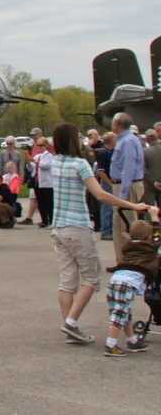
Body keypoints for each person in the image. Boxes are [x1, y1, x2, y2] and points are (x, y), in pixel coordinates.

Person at [44, 123, 149, 345]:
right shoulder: (80, 164)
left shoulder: (55, 162)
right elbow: (100, 194)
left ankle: (69, 325)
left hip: (59, 228)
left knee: (67, 280)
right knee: (91, 278)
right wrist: (130, 205)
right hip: (78, 227)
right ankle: (70, 322)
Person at [102, 219, 159, 356]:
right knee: (119, 314)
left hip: (116, 280)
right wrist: (155, 219)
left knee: (123, 313)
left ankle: (132, 341)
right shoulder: (150, 247)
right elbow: (158, 236)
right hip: (127, 283)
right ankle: (111, 345)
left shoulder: (128, 246)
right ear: (149, 237)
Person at [109, 113, 146, 258]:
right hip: (124, 185)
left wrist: (122, 197)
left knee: (126, 225)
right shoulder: (123, 140)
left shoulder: (128, 141)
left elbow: (128, 168)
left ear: (117, 124)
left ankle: (128, 261)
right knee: (119, 225)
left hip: (126, 187)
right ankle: (121, 259)